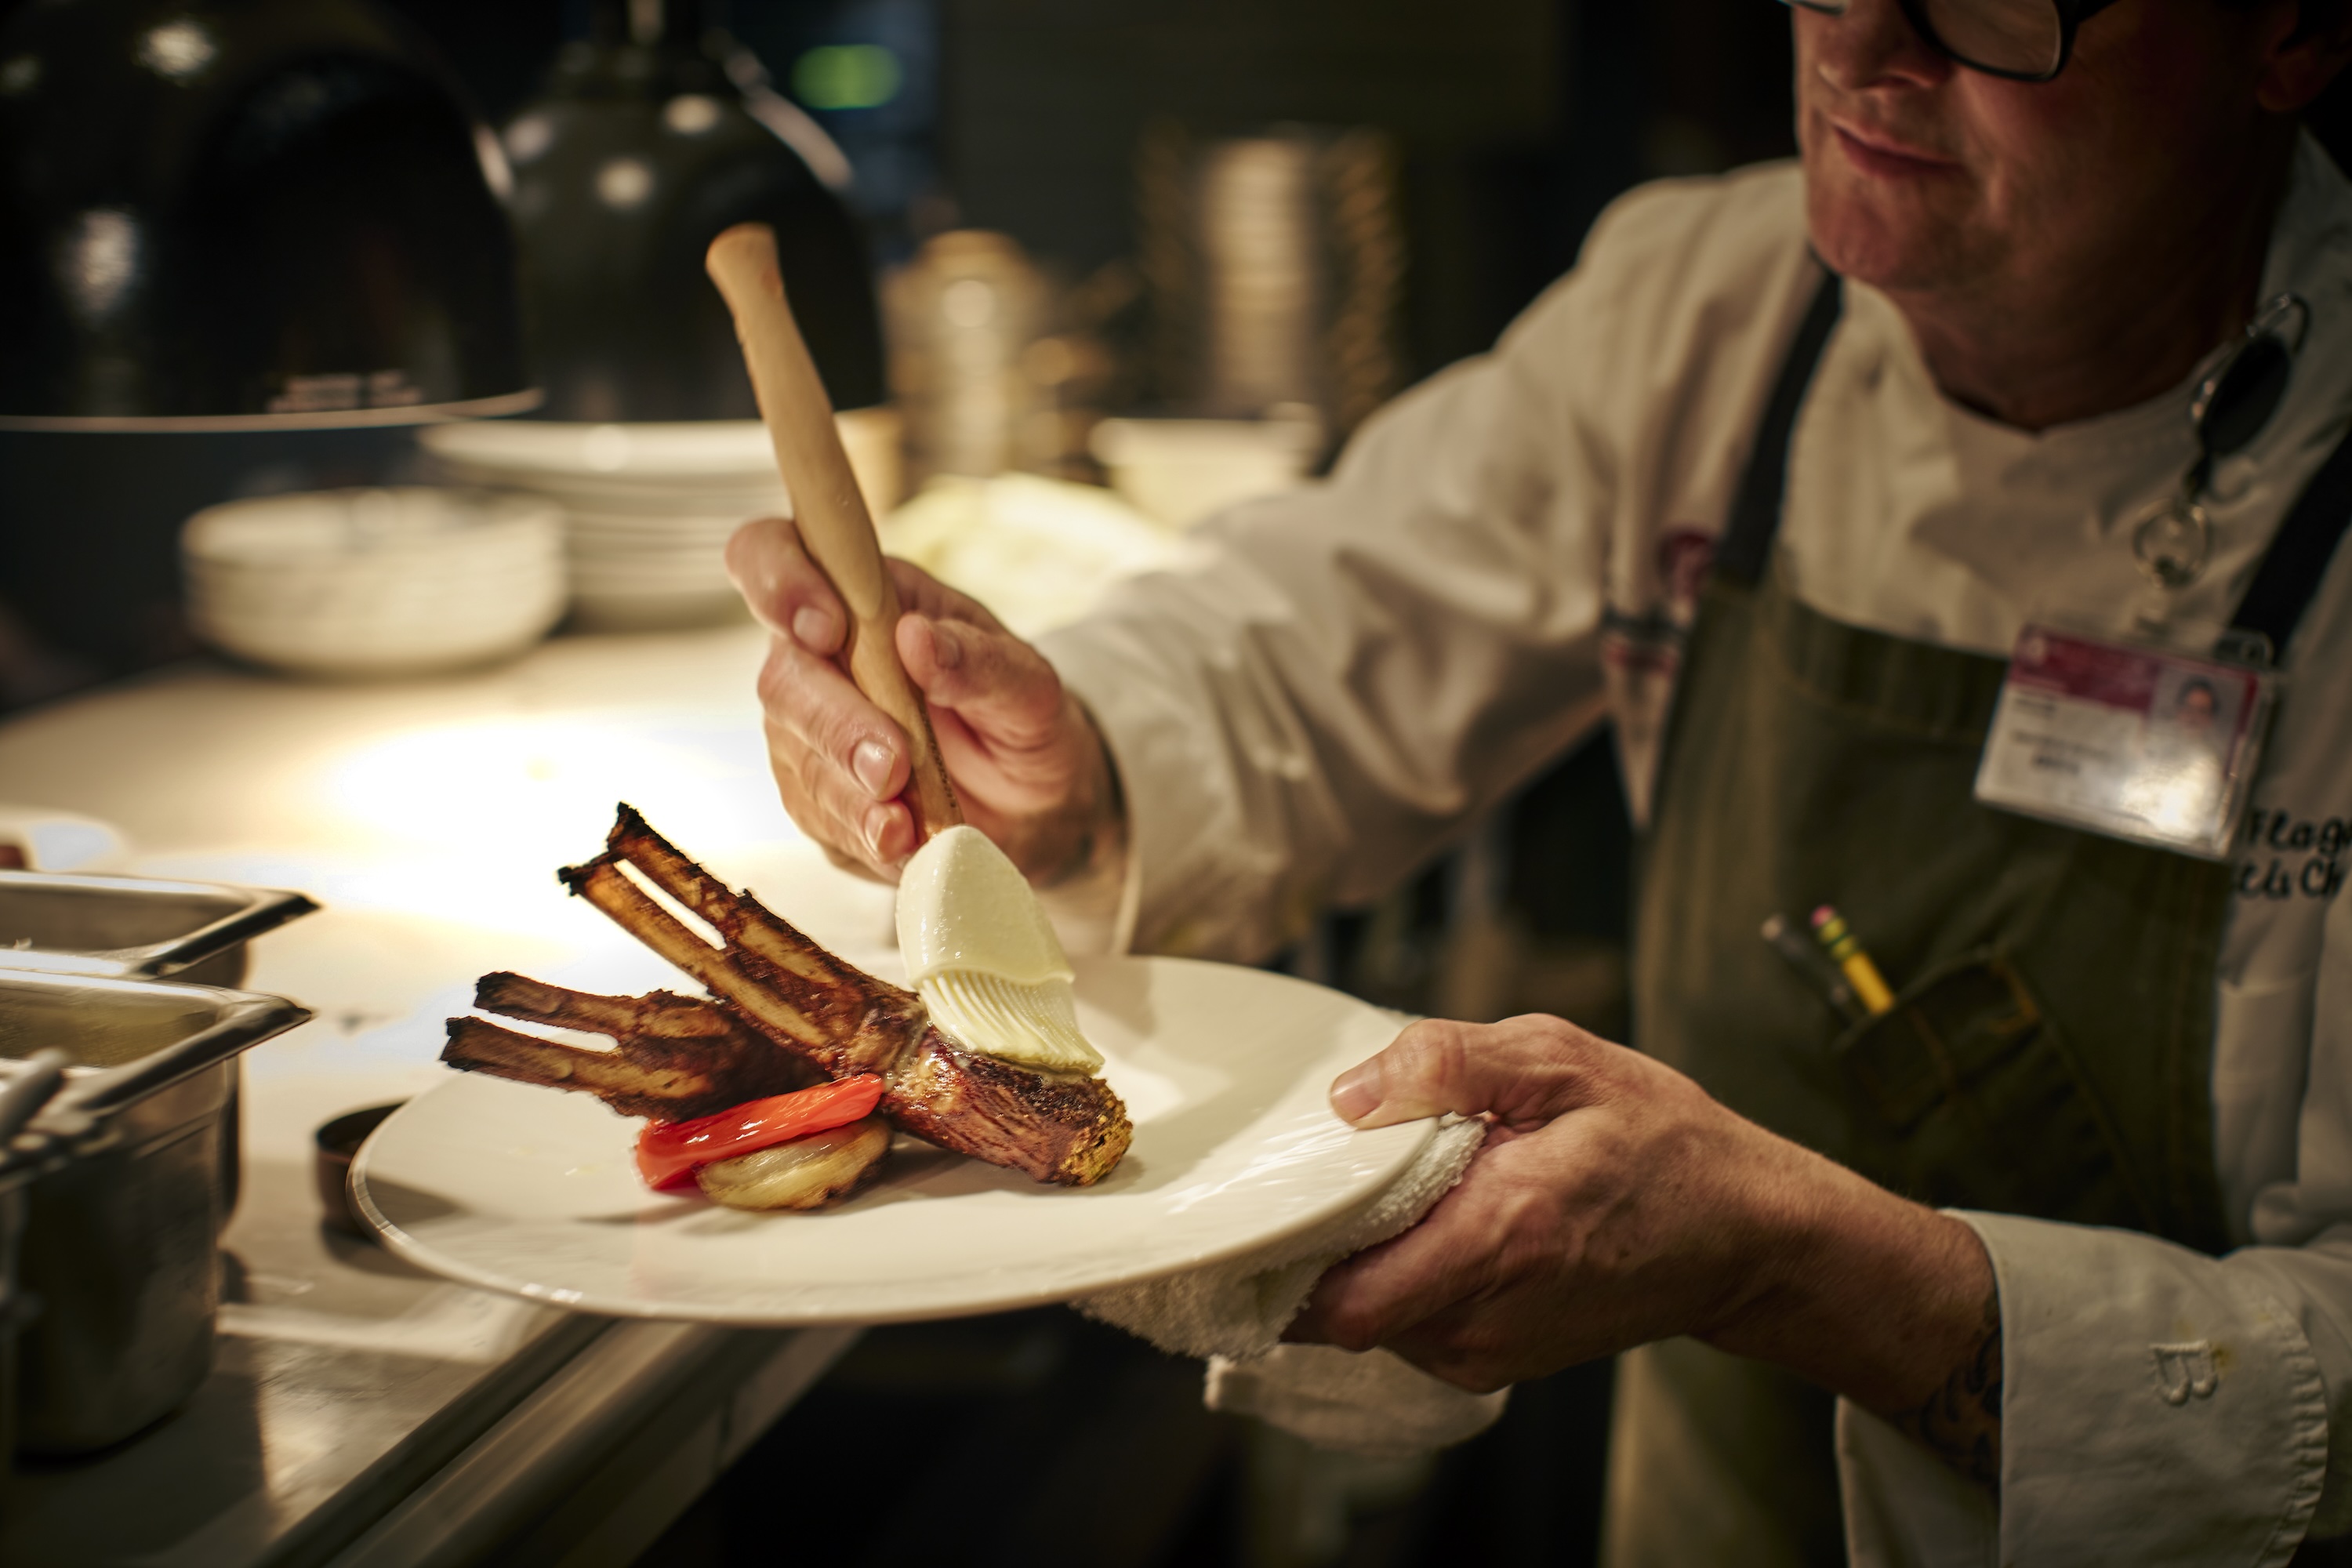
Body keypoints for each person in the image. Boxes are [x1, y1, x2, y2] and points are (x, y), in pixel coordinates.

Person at [726, 0, 2352, 1559]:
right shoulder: (1718, 309)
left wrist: (1801, 1269)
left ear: (2288, 30)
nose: (1860, 45)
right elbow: (1313, 632)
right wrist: (1071, 766)